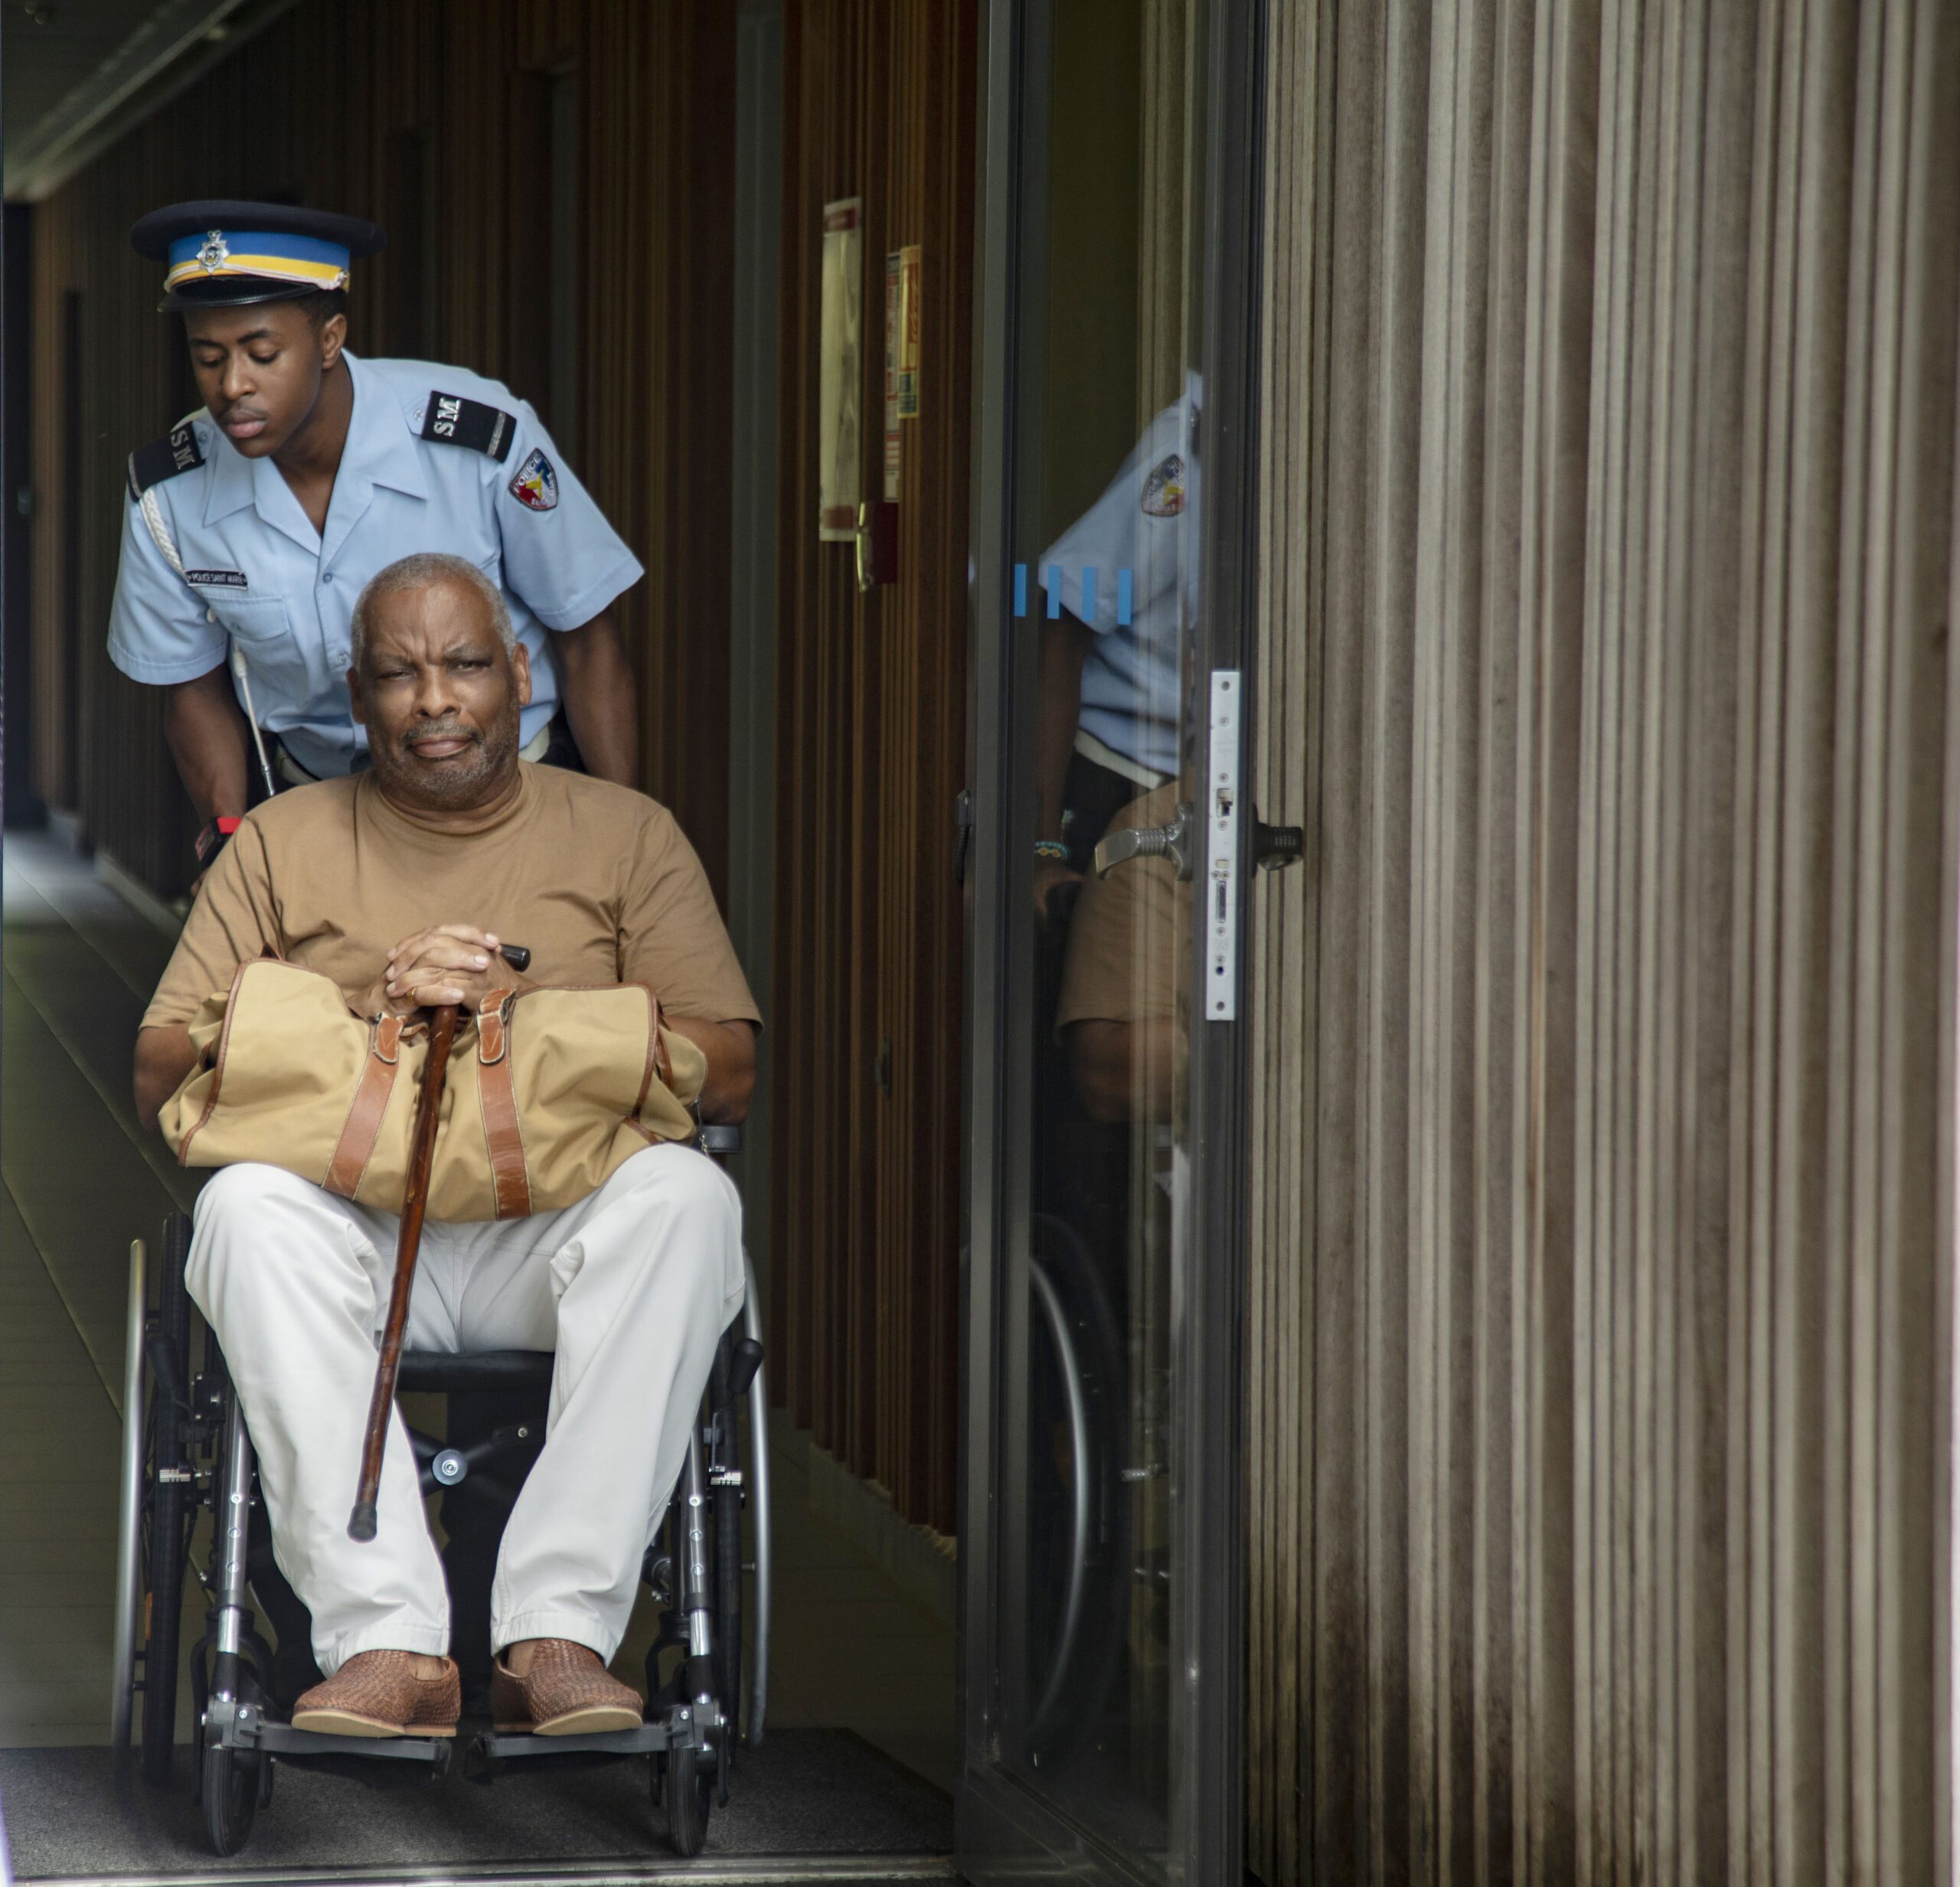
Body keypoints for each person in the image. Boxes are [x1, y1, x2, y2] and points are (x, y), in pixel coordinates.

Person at [132, 551, 760, 1738]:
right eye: (398, 673)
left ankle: (560, 1630)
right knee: (242, 1213)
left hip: (553, 1239)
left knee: (689, 1200)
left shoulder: (626, 834)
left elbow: (729, 1067)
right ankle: (387, 1644)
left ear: (522, 674)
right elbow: (162, 1068)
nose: (435, 700)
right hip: (355, 1241)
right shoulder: (280, 840)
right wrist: (372, 1009)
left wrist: (521, 1023)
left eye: (467, 665)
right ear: (355, 694)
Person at [108, 201, 644, 876]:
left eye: (262, 353)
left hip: (511, 799)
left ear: (330, 339)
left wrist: (625, 838)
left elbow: (588, 638)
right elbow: (192, 685)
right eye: (207, 358)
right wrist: (227, 830)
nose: (232, 386)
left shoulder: (479, 442)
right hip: (320, 810)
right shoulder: (169, 494)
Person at [1032, 377, 1200, 919]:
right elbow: (1063, 617)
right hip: (1119, 779)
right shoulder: (1186, 456)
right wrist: (1043, 848)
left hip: (1195, 788)